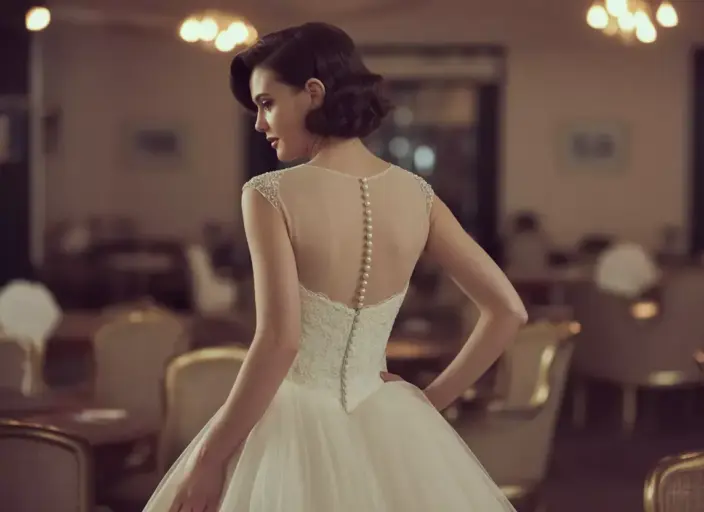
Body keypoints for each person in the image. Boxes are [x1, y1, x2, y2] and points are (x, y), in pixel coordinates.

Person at [144, 22, 527, 512]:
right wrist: (428, 403)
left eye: (266, 103)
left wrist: (210, 459)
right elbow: (508, 311)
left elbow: (280, 342)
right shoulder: (418, 195)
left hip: (294, 425)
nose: (259, 124)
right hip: (389, 423)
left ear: (313, 93)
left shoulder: (268, 194)